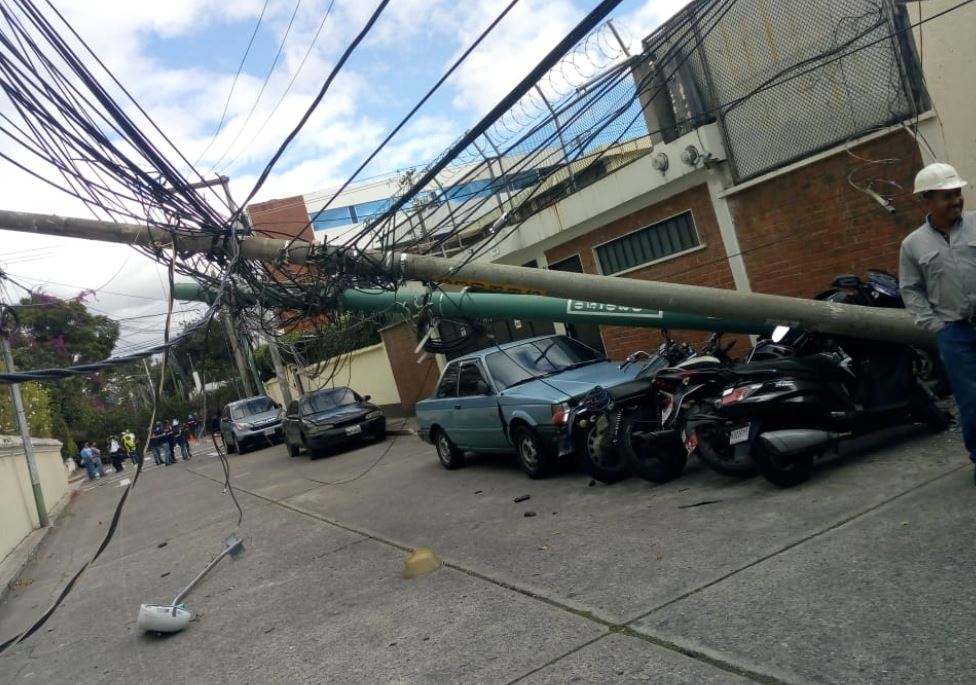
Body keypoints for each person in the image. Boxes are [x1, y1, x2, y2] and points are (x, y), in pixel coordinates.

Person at [899, 161, 976, 485]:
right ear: (926, 201)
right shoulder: (913, 245)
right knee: (971, 401)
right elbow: (911, 289)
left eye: (957, 193)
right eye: (946, 196)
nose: (956, 201)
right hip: (955, 333)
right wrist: (936, 326)